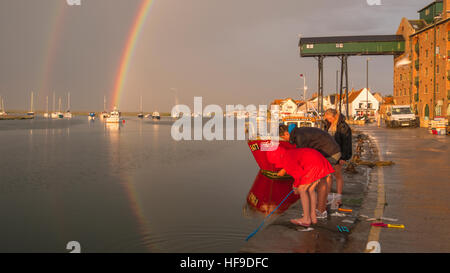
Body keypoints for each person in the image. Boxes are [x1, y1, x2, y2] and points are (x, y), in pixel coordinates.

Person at [279, 125, 341, 217]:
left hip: (329, 152)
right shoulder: (299, 132)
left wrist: (288, 173)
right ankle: (322, 204)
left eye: (284, 137)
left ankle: (321, 209)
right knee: (321, 180)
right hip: (330, 149)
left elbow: (301, 157)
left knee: (322, 180)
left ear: (286, 133)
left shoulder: (299, 137)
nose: (285, 140)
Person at [268, 146, 335, 227]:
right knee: (310, 190)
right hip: (318, 160)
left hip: (313, 164)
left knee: (302, 189)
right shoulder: (289, 154)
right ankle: (313, 216)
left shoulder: (286, 160)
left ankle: (306, 219)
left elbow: (298, 174)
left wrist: (295, 187)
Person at [323, 109, 352, 207]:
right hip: (328, 153)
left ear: (335, 117)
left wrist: (344, 157)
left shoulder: (343, 127)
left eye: (330, 118)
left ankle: (338, 198)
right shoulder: (327, 125)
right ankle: (327, 196)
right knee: (328, 175)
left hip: (338, 154)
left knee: (337, 175)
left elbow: (347, 143)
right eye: (327, 119)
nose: (328, 120)